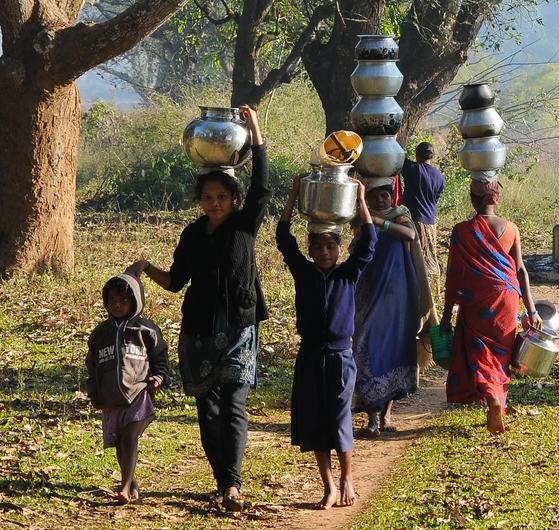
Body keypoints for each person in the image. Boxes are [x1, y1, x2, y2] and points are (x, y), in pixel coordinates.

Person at [129, 105, 268, 512]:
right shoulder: (192, 234)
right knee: (208, 413)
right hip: (198, 332)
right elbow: (176, 282)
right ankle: (221, 482)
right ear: (200, 200)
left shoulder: (244, 225)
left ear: (234, 200)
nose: (214, 204)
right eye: (208, 198)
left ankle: (234, 485)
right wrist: (145, 268)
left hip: (239, 329)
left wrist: (255, 129)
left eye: (222, 198)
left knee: (234, 407)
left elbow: (262, 184)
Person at [276, 176, 375, 510]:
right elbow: (283, 238)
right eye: (317, 247)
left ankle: (347, 477)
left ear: (340, 250)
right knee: (316, 421)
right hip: (310, 356)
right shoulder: (303, 273)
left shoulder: (348, 274)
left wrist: (360, 199)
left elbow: (370, 240)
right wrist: (293, 193)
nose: (323, 252)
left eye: (330, 247)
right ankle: (329, 486)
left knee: (339, 418)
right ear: (310, 250)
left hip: (340, 356)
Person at [441, 180, 541, 435]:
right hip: (506, 299)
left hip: (477, 300)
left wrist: (445, 315)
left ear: (473, 200)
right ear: (496, 199)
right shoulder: (511, 228)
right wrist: (532, 310)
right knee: (500, 353)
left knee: (479, 353)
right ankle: (496, 397)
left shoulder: (462, 231)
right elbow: (520, 270)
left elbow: (454, 274)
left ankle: (492, 398)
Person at [85, 272, 169, 505]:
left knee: (130, 437)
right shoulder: (100, 333)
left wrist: (159, 378)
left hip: (139, 395)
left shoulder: (146, 330)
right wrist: (93, 390)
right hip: (110, 398)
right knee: (120, 441)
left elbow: (161, 358)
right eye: (112, 300)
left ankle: (123, 487)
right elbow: (91, 365)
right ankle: (130, 482)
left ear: (135, 302)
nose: (117, 305)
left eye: (123, 301)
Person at [351, 176, 423, 437]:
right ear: (367, 199)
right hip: (369, 293)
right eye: (375, 196)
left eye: (384, 195)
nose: (381, 200)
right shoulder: (360, 220)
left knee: (395, 347)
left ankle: (387, 414)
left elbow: (410, 234)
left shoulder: (400, 215)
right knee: (366, 347)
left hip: (397, 293)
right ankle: (370, 416)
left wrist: (382, 221)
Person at [401, 142, 445, 280]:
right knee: (428, 254)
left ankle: (417, 285)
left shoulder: (413, 169)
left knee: (414, 256)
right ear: (432, 156)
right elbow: (436, 198)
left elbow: (397, 159)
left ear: (416, 154)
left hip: (414, 220)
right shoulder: (439, 176)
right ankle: (432, 283)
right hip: (430, 222)